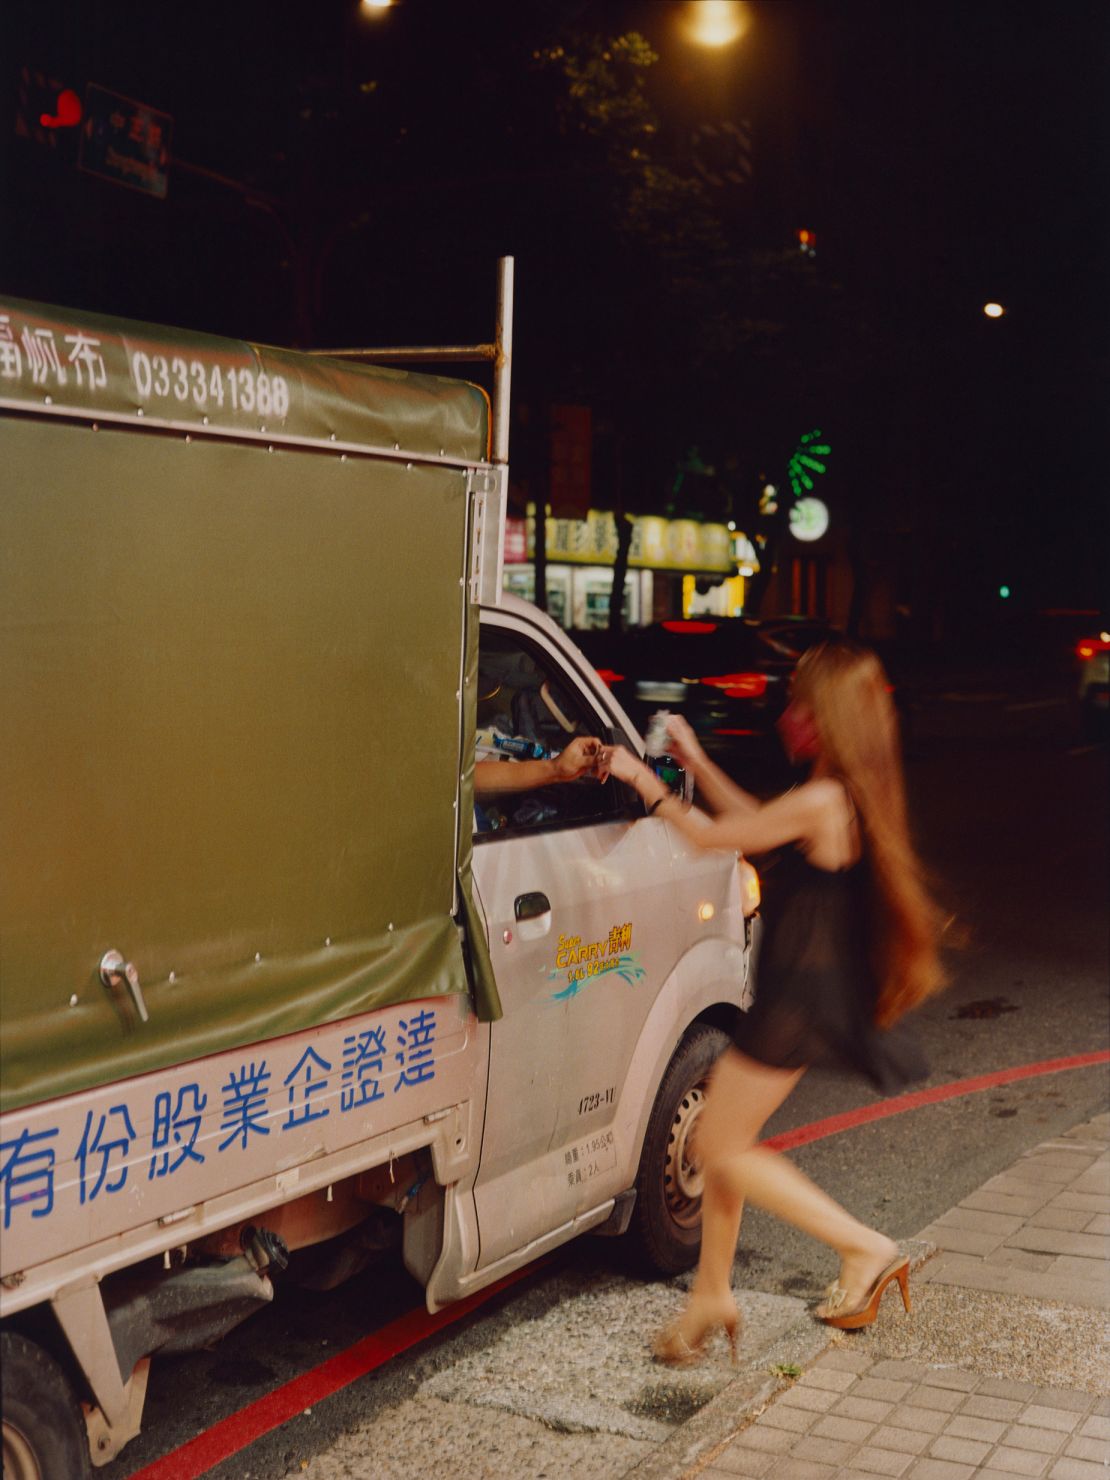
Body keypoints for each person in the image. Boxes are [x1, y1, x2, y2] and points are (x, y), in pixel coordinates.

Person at [602, 638, 946, 1364]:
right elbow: (755, 822)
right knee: (727, 1141)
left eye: (797, 702)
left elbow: (713, 836)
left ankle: (866, 1249)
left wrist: (644, 777)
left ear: (823, 718)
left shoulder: (825, 799)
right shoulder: (827, 795)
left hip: (797, 1002)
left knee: (715, 1145)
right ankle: (711, 1296)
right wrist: (694, 762)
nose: (786, 714)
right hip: (802, 995)